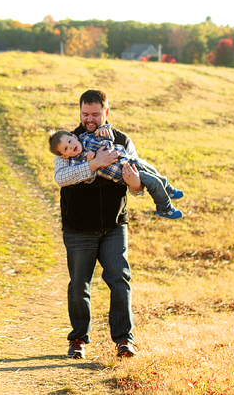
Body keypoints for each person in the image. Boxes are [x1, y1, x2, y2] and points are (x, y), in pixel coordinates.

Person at [53, 89, 140, 360]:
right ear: (79, 112)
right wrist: (95, 164)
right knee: (80, 284)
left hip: (114, 225)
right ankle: (78, 339)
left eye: (94, 114)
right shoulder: (67, 142)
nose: (89, 119)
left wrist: (135, 184)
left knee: (119, 279)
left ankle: (124, 340)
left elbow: (138, 182)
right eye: (84, 114)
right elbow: (61, 177)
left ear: (106, 112)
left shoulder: (123, 140)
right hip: (78, 228)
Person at [49, 126, 184, 219]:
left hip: (128, 160)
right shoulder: (75, 162)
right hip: (123, 173)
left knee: (152, 169)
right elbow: (89, 179)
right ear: (64, 156)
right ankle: (164, 209)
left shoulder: (87, 137)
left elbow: (109, 139)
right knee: (152, 181)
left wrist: (105, 131)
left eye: (70, 141)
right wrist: (90, 163)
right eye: (66, 148)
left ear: (74, 136)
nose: (71, 146)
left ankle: (168, 189)